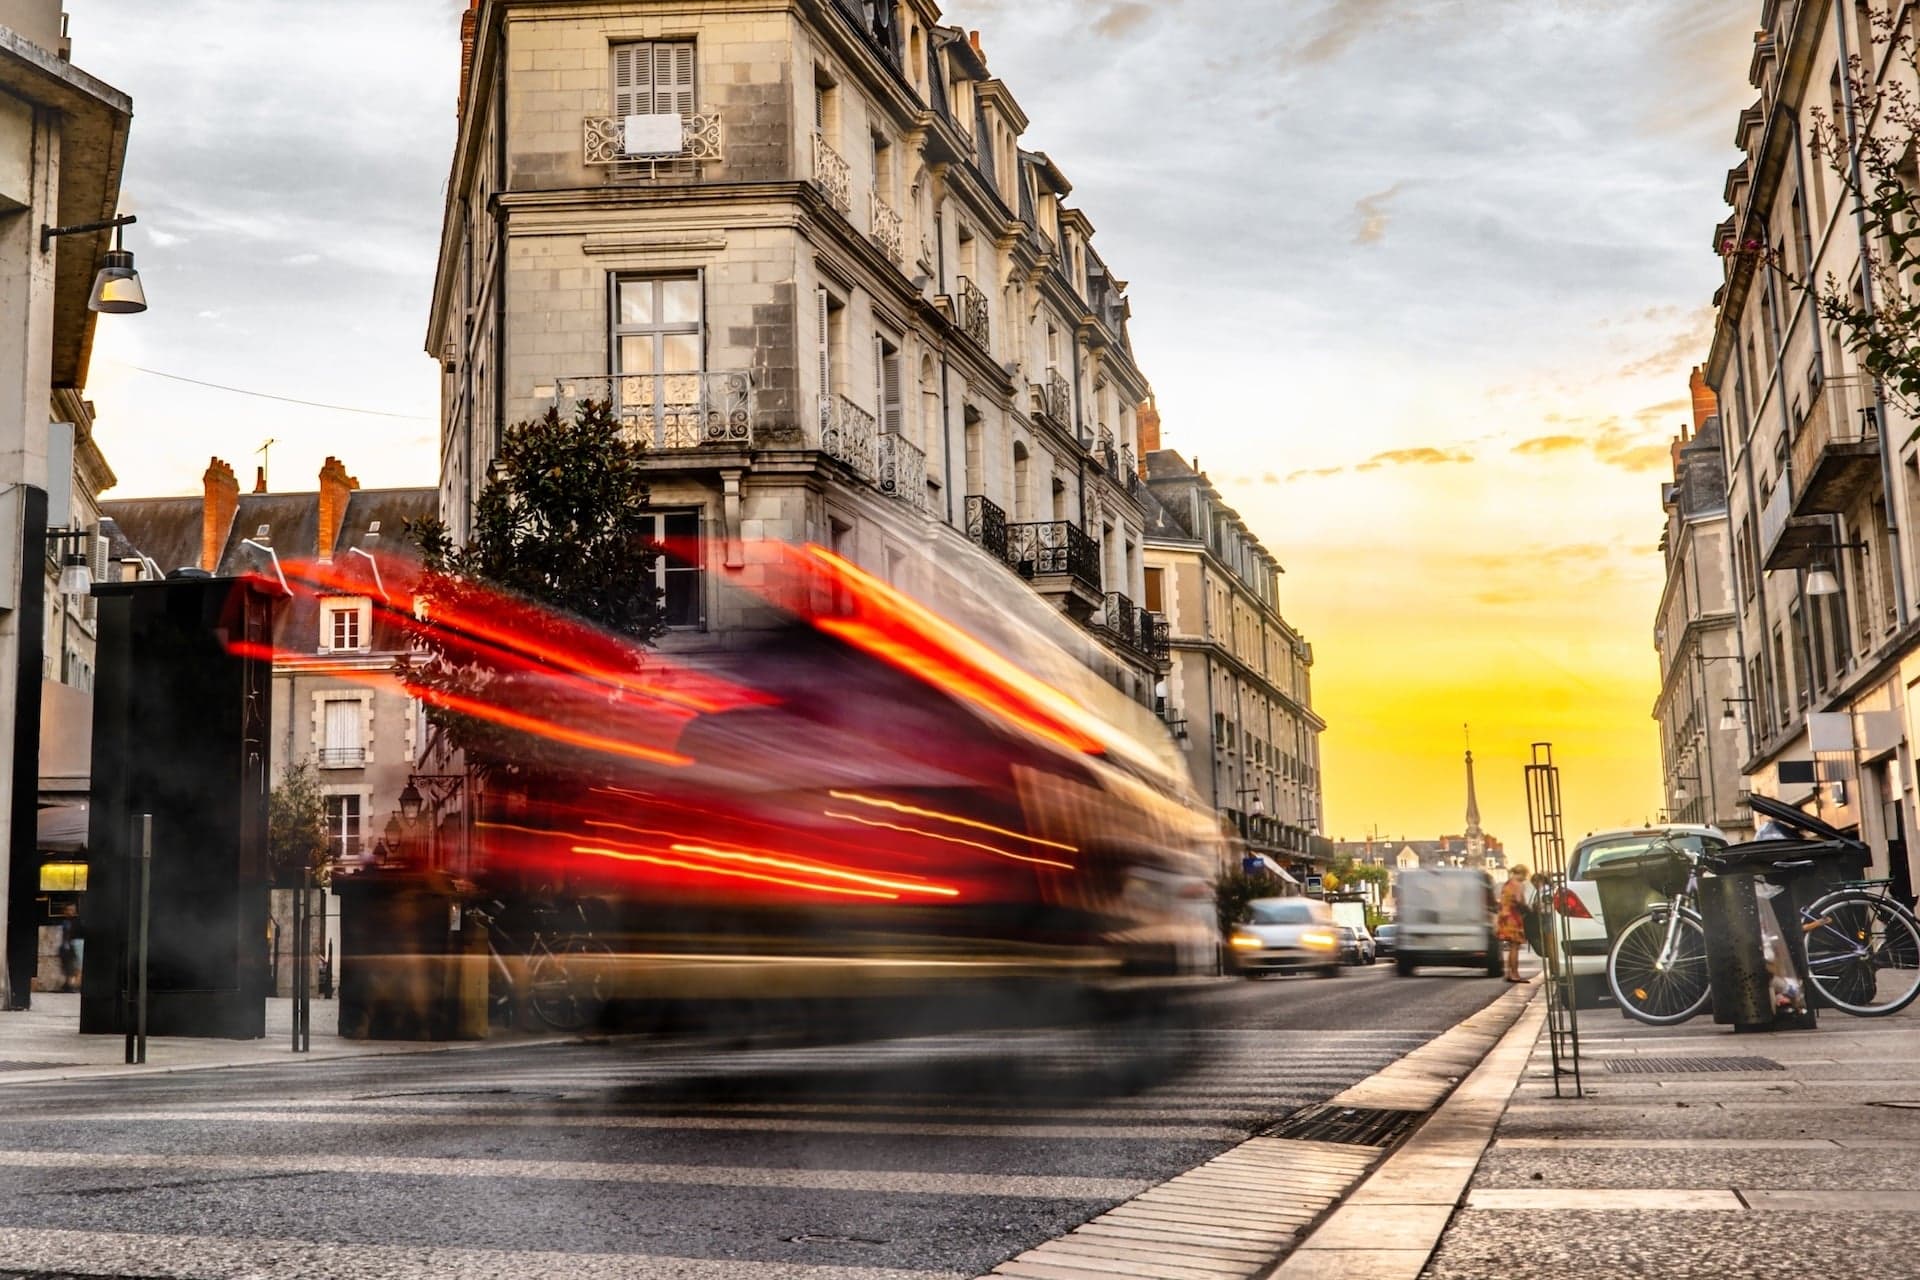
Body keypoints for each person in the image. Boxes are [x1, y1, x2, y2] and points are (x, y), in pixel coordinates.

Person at [1497, 864, 1531, 982]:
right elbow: (1519, 901)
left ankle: (1509, 973)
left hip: (1505, 917)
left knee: (1512, 946)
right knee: (1515, 947)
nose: (1525, 878)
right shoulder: (1518, 885)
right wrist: (1529, 910)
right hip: (1513, 917)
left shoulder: (1507, 884)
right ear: (1521, 874)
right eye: (1525, 875)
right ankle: (1515, 974)